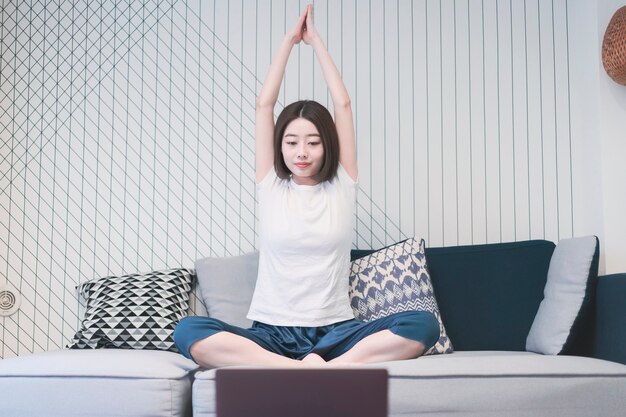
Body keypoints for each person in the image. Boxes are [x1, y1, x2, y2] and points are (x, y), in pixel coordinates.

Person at [173, 4, 439, 368]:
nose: (302, 152)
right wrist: (288, 41)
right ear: (280, 146)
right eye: (292, 142)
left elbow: (342, 104)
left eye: (313, 142)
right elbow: (264, 105)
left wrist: (316, 43)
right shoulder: (271, 186)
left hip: (336, 332)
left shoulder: (342, 185)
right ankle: (298, 369)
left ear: (326, 145)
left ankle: (327, 367)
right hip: (271, 333)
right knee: (188, 330)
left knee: (422, 324)